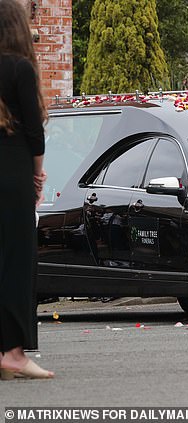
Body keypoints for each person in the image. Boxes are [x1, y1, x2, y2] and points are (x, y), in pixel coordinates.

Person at [0, 0, 53, 379]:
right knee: (17, 261)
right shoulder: (20, 68)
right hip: (13, 171)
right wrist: (37, 178)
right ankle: (14, 353)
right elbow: (35, 134)